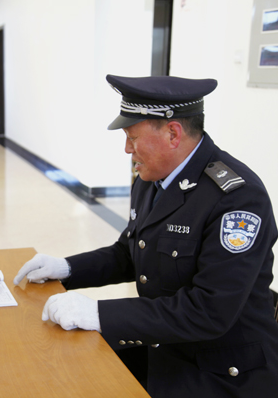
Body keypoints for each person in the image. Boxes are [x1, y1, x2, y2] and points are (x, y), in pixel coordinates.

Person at [14, 74, 278, 397]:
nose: (127, 149)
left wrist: (98, 313)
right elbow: (128, 252)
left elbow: (209, 312)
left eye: (132, 137)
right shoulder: (151, 179)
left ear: (172, 134)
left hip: (220, 373)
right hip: (165, 346)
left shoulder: (237, 198)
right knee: (58, 369)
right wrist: (67, 268)